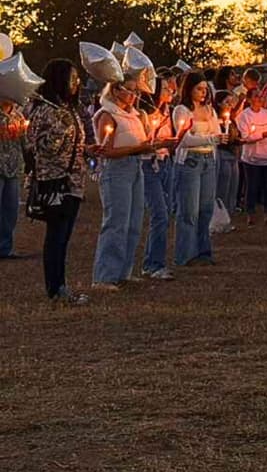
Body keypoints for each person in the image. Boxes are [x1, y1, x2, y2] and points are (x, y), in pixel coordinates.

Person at [91, 73, 169, 289]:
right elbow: (106, 151)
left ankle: (124, 270)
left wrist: (154, 143)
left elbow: (141, 141)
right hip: (117, 170)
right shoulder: (107, 114)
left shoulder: (134, 115)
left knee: (134, 222)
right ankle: (105, 276)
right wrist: (139, 148)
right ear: (115, 90)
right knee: (116, 222)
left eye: (136, 91)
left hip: (136, 167)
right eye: (129, 90)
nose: (134, 95)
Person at [29, 59, 91, 304]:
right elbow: (42, 147)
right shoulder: (46, 110)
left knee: (64, 237)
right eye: (72, 78)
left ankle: (60, 284)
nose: (77, 83)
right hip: (54, 181)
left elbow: (73, 143)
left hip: (73, 181)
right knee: (56, 236)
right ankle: (55, 288)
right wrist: (60, 129)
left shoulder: (68, 108)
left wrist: (87, 148)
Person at [173, 72, 226, 268]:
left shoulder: (210, 110)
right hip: (190, 161)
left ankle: (203, 251)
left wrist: (215, 137)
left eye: (205, 89)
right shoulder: (182, 110)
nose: (203, 93)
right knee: (189, 210)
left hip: (208, 160)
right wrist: (210, 138)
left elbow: (217, 132)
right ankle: (185, 254)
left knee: (206, 208)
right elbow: (184, 139)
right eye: (199, 89)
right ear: (189, 89)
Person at [138, 68, 179, 279]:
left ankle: (154, 259)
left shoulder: (167, 112)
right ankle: (153, 264)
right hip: (148, 166)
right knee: (159, 214)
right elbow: (143, 143)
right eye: (164, 88)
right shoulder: (145, 114)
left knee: (167, 212)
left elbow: (169, 138)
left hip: (165, 163)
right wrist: (158, 143)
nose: (170, 90)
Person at [236, 87, 267, 226]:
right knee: (252, 186)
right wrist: (261, 135)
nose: (259, 99)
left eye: (261, 96)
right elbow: (245, 137)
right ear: (249, 99)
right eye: (256, 96)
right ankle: (250, 213)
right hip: (251, 158)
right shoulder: (244, 116)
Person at [0, 97, 27, 258]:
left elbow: (24, 142)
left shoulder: (18, 117)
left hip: (14, 167)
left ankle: (5, 247)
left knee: (10, 209)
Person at [213, 91, 242, 216]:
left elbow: (236, 136)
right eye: (227, 102)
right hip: (223, 154)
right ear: (219, 103)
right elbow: (219, 139)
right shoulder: (216, 121)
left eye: (231, 103)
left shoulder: (231, 120)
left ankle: (230, 212)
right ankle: (220, 214)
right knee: (223, 186)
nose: (230, 105)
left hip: (233, 154)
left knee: (233, 186)